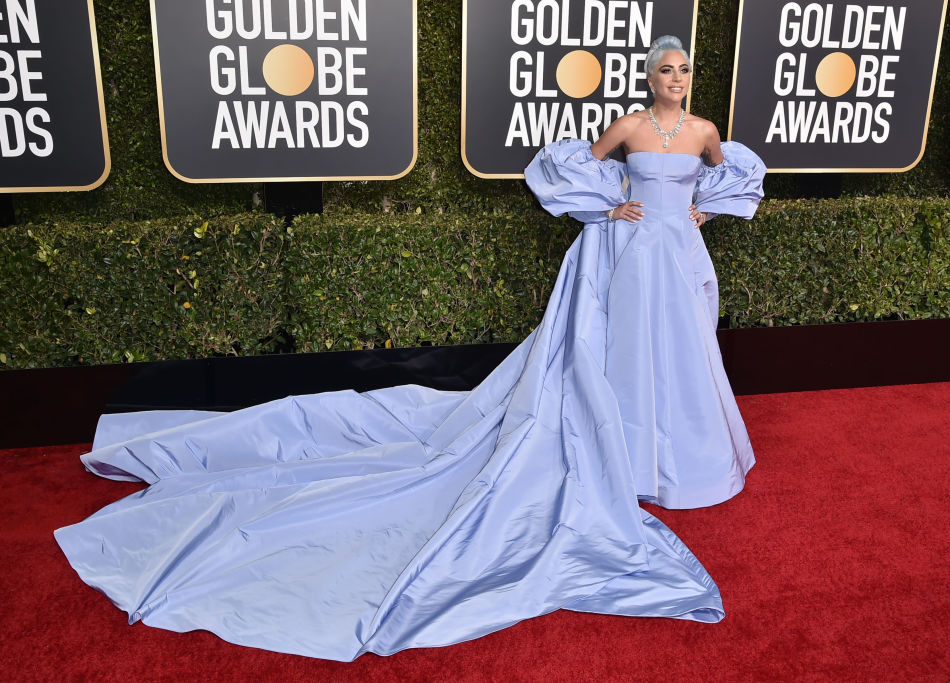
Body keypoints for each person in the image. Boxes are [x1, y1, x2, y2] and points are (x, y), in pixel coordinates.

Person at [54, 36, 765, 662]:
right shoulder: (630, 127)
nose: (677, 77)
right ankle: (625, 456)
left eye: (684, 69)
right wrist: (609, 205)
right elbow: (568, 165)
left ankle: (674, 463)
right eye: (666, 70)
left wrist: (701, 206)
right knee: (620, 362)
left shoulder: (705, 131)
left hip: (679, 259)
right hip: (630, 257)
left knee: (680, 360)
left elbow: (732, 173)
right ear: (648, 78)